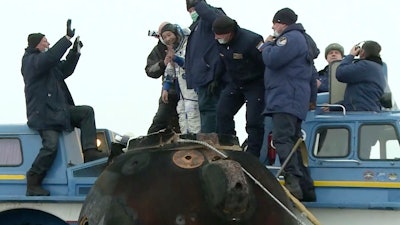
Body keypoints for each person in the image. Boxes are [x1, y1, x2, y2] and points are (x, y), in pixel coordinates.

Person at [21, 19, 107, 196]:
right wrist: (67, 39)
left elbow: (65, 69)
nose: (49, 43)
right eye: (46, 41)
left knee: (86, 112)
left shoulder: (47, 66)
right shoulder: (30, 61)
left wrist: (75, 52)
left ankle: (90, 152)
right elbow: (51, 57)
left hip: (58, 111)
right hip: (44, 114)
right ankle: (33, 181)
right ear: (37, 43)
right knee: (50, 147)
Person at [261, 8, 319, 201]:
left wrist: (267, 46)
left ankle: (292, 183)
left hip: (284, 97)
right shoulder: (304, 42)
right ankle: (306, 188)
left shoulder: (290, 39)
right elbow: (312, 76)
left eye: (275, 23)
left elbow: (272, 59)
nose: (273, 27)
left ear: (282, 23)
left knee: (282, 139)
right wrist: (311, 100)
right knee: (293, 143)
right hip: (296, 100)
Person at [212, 15, 265, 157]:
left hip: (255, 84)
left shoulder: (252, 41)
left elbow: (266, 64)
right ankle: (229, 148)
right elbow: (222, 61)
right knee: (222, 112)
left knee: (254, 121)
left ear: (230, 32)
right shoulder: (220, 41)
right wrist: (215, 79)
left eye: (220, 35)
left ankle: (253, 156)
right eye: (215, 35)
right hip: (235, 83)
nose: (217, 38)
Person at [185, 0, 227, 133]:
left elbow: (218, 21)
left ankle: (213, 142)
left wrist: (198, 3)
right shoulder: (195, 27)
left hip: (212, 74)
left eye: (193, 9)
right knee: (205, 109)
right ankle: (208, 138)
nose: (192, 12)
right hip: (201, 78)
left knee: (212, 109)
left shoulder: (213, 15)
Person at [159, 23, 201, 134]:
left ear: (176, 33)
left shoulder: (188, 45)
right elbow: (170, 70)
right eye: (165, 37)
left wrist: (175, 58)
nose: (168, 39)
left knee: (192, 110)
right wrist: (165, 88)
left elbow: (189, 65)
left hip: (192, 88)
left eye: (169, 35)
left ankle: (195, 137)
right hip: (181, 91)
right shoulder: (173, 50)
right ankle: (185, 136)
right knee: (182, 111)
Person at [145, 22, 180, 134]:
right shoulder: (158, 50)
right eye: (163, 36)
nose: (167, 38)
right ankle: (148, 145)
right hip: (170, 92)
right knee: (160, 120)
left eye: (168, 35)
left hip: (189, 91)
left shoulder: (185, 43)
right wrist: (163, 63)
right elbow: (149, 70)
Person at [335, 41, 386, 111]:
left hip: (360, 113)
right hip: (367, 112)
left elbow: (341, 73)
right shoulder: (377, 68)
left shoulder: (366, 66)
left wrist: (351, 55)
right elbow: (357, 98)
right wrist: (333, 107)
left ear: (362, 52)